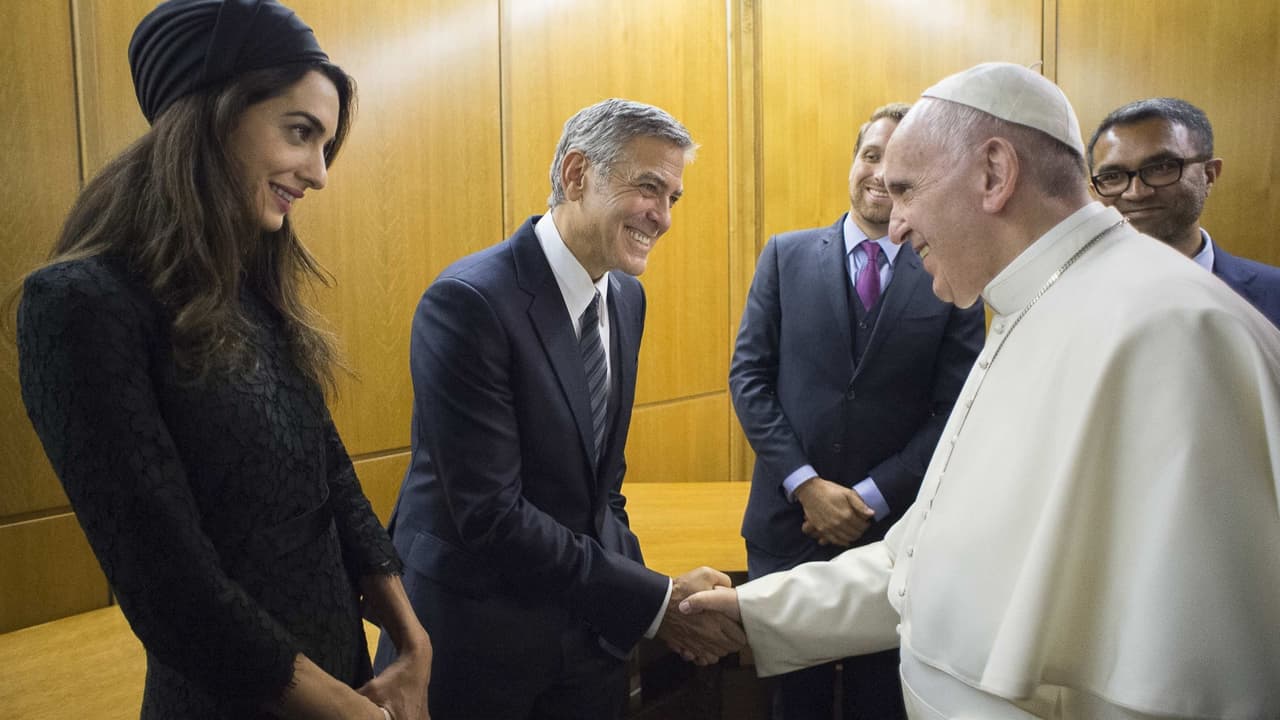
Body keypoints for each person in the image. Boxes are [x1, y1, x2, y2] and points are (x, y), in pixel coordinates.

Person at [681, 62, 1280, 719]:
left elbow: (1204, 677)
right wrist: (751, 611)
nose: (897, 225)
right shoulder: (1030, 305)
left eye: (906, 190)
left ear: (994, 174)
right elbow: (928, 566)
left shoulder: (1176, 333)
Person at [14, 2, 431, 718]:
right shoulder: (78, 304)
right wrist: (337, 706)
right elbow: (165, 582)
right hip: (235, 699)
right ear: (213, 116)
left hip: (345, 679)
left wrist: (412, 641)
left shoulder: (248, 283)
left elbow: (327, 475)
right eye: (301, 133)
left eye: (326, 145)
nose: (319, 173)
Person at [375, 98, 745, 720]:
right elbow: (492, 516)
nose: (663, 218)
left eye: (674, 197)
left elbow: (603, 491)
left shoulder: (627, 299)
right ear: (577, 175)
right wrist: (653, 601)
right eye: (648, 188)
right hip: (477, 644)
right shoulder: (469, 303)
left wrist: (654, 602)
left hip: (585, 637)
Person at [729, 102, 983, 720]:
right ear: (854, 161)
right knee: (796, 702)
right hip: (787, 527)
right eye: (871, 155)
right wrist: (806, 485)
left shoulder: (952, 270)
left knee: (882, 700)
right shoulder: (784, 256)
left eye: (900, 163)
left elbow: (958, 409)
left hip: (893, 532)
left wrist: (868, 496)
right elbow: (750, 378)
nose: (880, 173)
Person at [1088, 97, 1280, 327]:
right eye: (1112, 177)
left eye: (1161, 168)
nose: (1136, 193)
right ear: (1094, 190)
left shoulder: (1273, 293)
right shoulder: (1066, 294)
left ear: (1209, 174)